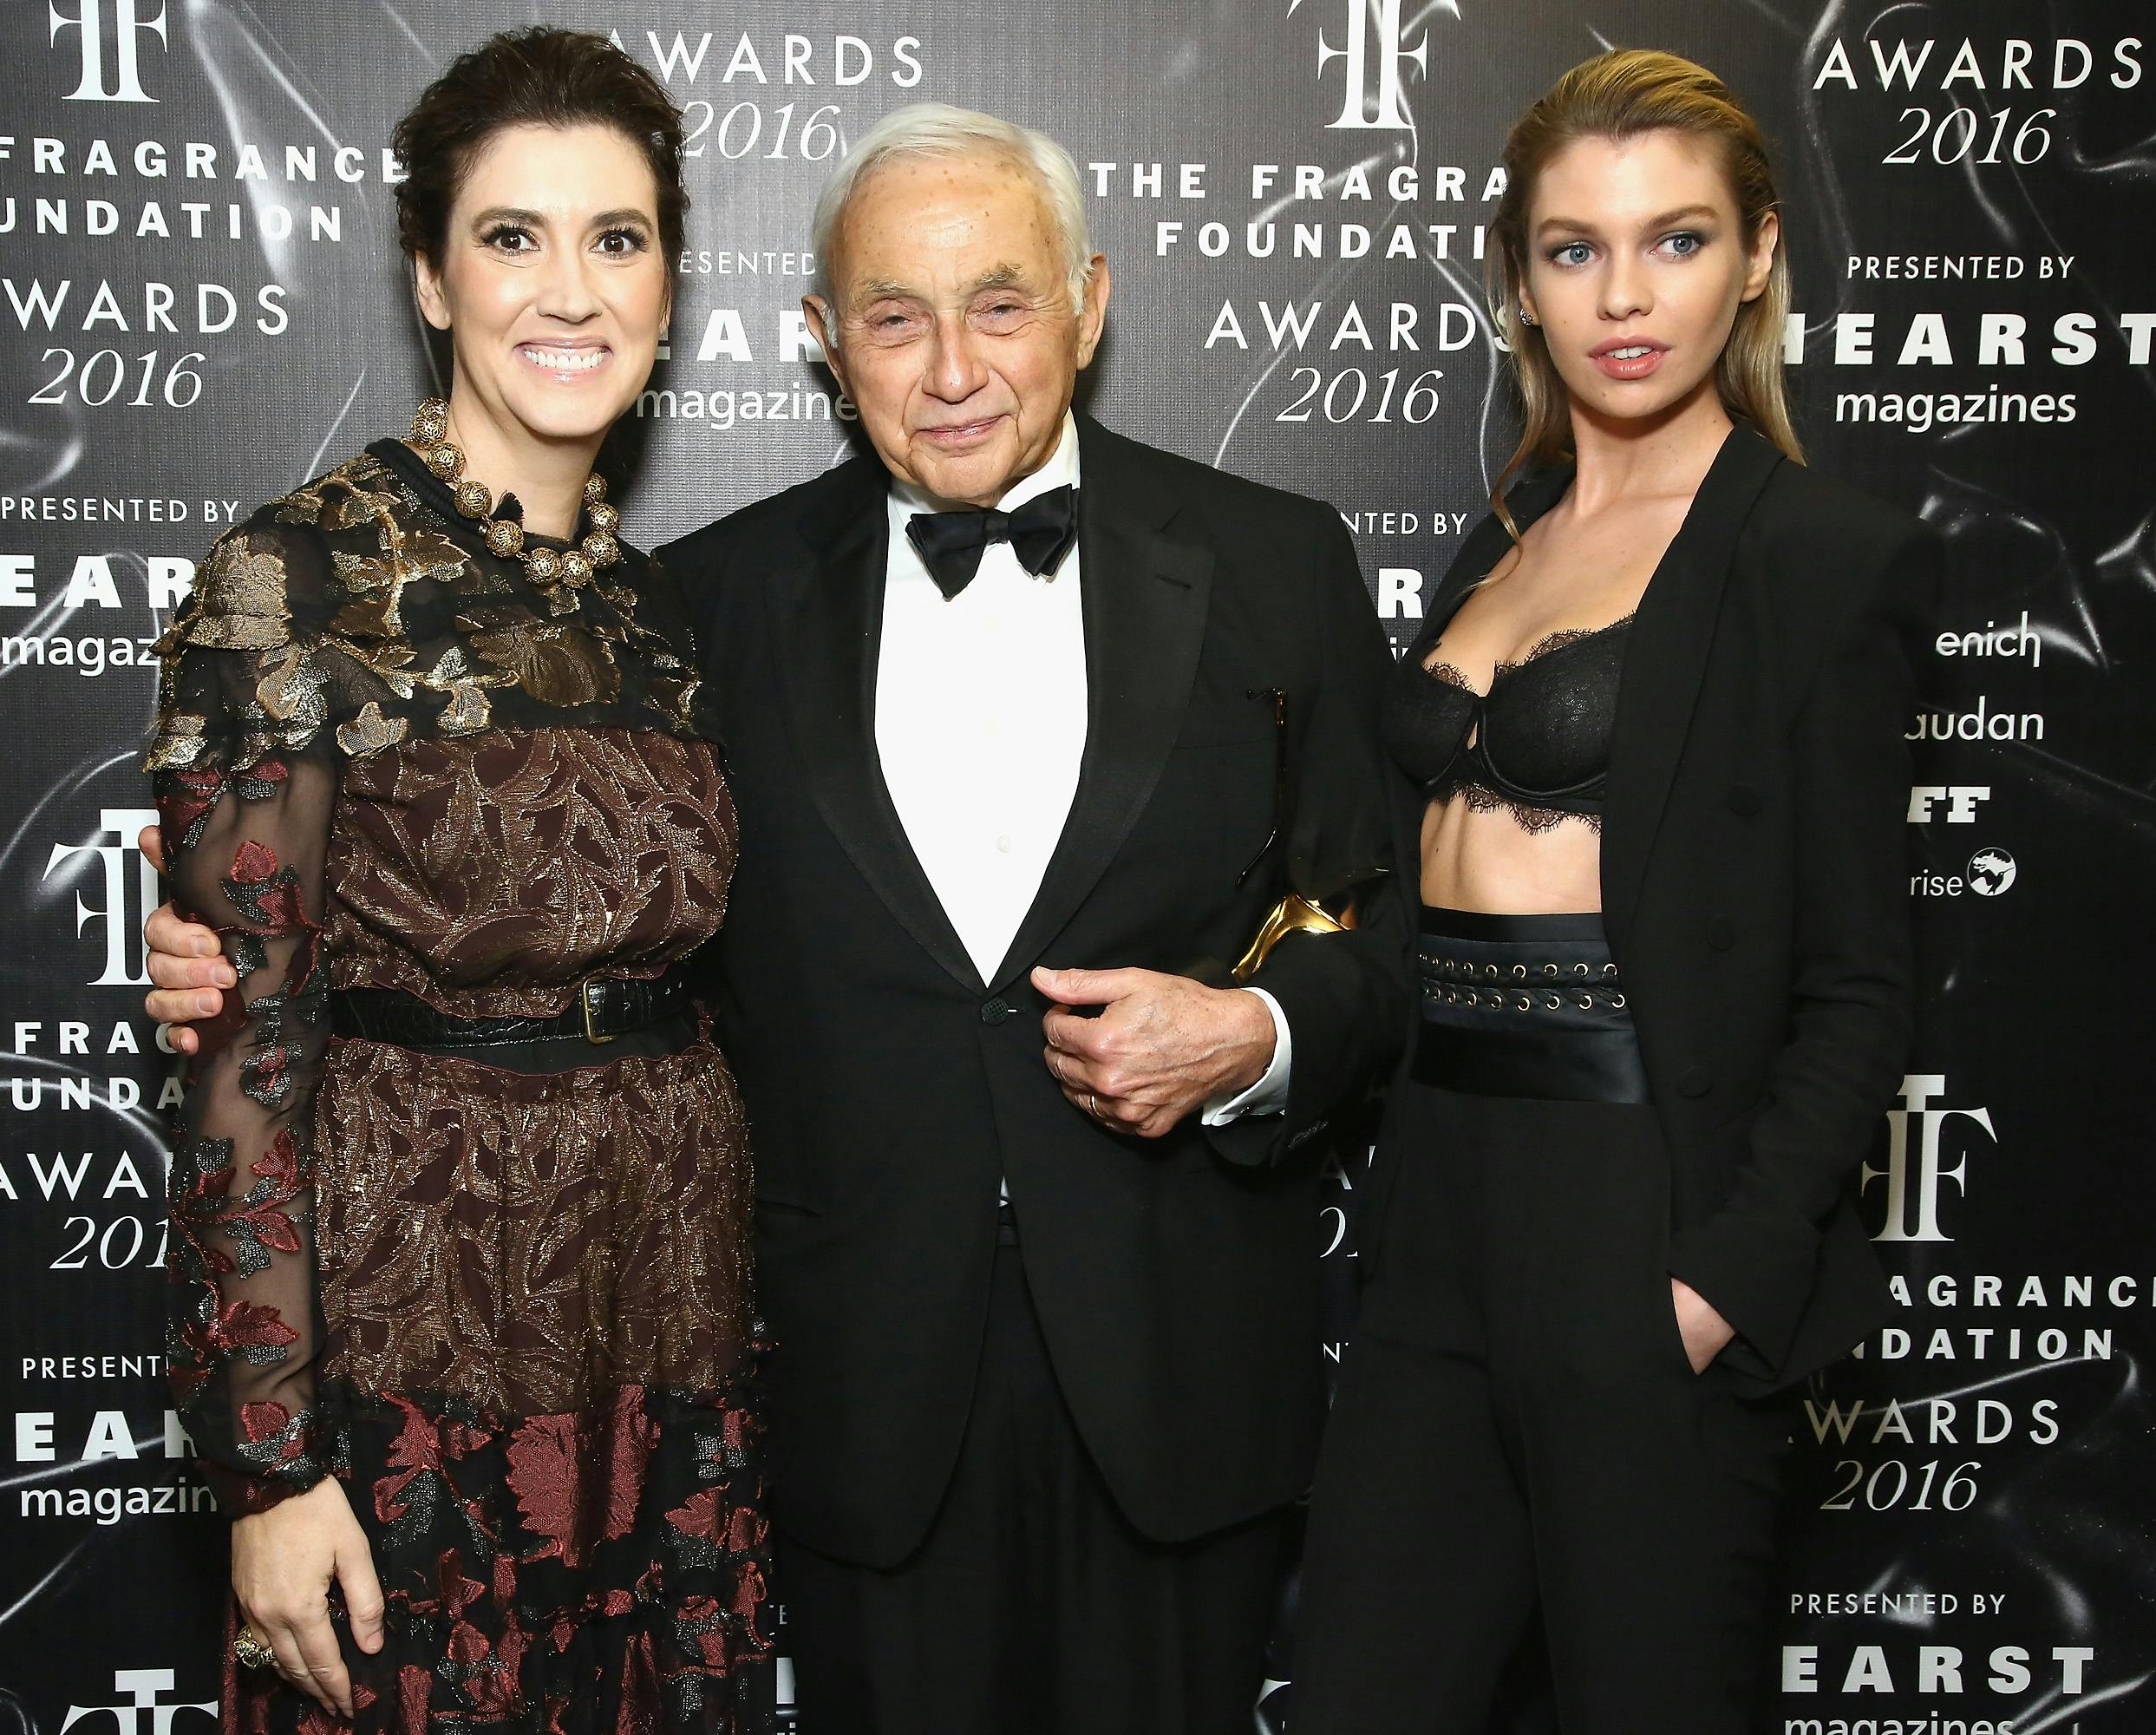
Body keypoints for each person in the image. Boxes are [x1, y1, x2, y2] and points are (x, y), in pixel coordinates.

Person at [152, 101, 1408, 1735]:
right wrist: (233, 972)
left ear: (1090, 304)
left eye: (1003, 303)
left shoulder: (1276, 562)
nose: (952, 364)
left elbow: (1390, 945)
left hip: (1140, 1382)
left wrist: (1260, 1034)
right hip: (819, 1392)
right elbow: (297, 989)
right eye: (895, 314)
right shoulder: (717, 596)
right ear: (819, 339)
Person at [1285, 49, 1937, 1733]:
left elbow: (1863, 979)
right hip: (1439, 1213)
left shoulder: (1818, 557)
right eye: (1574, 249)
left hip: (1640, 1209)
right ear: (1517, 277)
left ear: (1762, 253)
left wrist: (1715, 1279)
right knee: (1363, 1693)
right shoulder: (1499, 542)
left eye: (1677, 240)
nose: (1625, 296)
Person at [140, 30, 769, 1734]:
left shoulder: (664, 614)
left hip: (671, 1336)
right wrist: (267, 1470)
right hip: (417, 1356)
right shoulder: (295, 577)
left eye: (618, 237)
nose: (569, 289)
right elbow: (237, 1059)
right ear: (428, 273)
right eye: (512, 235)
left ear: (669, 280)